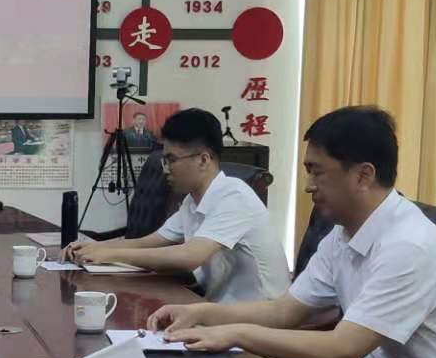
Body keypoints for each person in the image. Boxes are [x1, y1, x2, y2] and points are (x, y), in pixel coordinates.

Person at [148, 106, 436, 358]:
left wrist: (235, 334)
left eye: (317, 172)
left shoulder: (409, 245)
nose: (308, 186)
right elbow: (285, 311)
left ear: (363, 175)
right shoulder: (343, 234)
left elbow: (342, 350)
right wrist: (202, 313)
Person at [64, 108, 286, 302]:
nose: (165, 169)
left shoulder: (234, 196)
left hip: (259, 317)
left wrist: (110, 255)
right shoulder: (192, 200)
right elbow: (148, 243)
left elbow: (189, 257)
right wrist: (92, 247)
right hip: (216, 308)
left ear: (203, 160)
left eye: (171, 160)